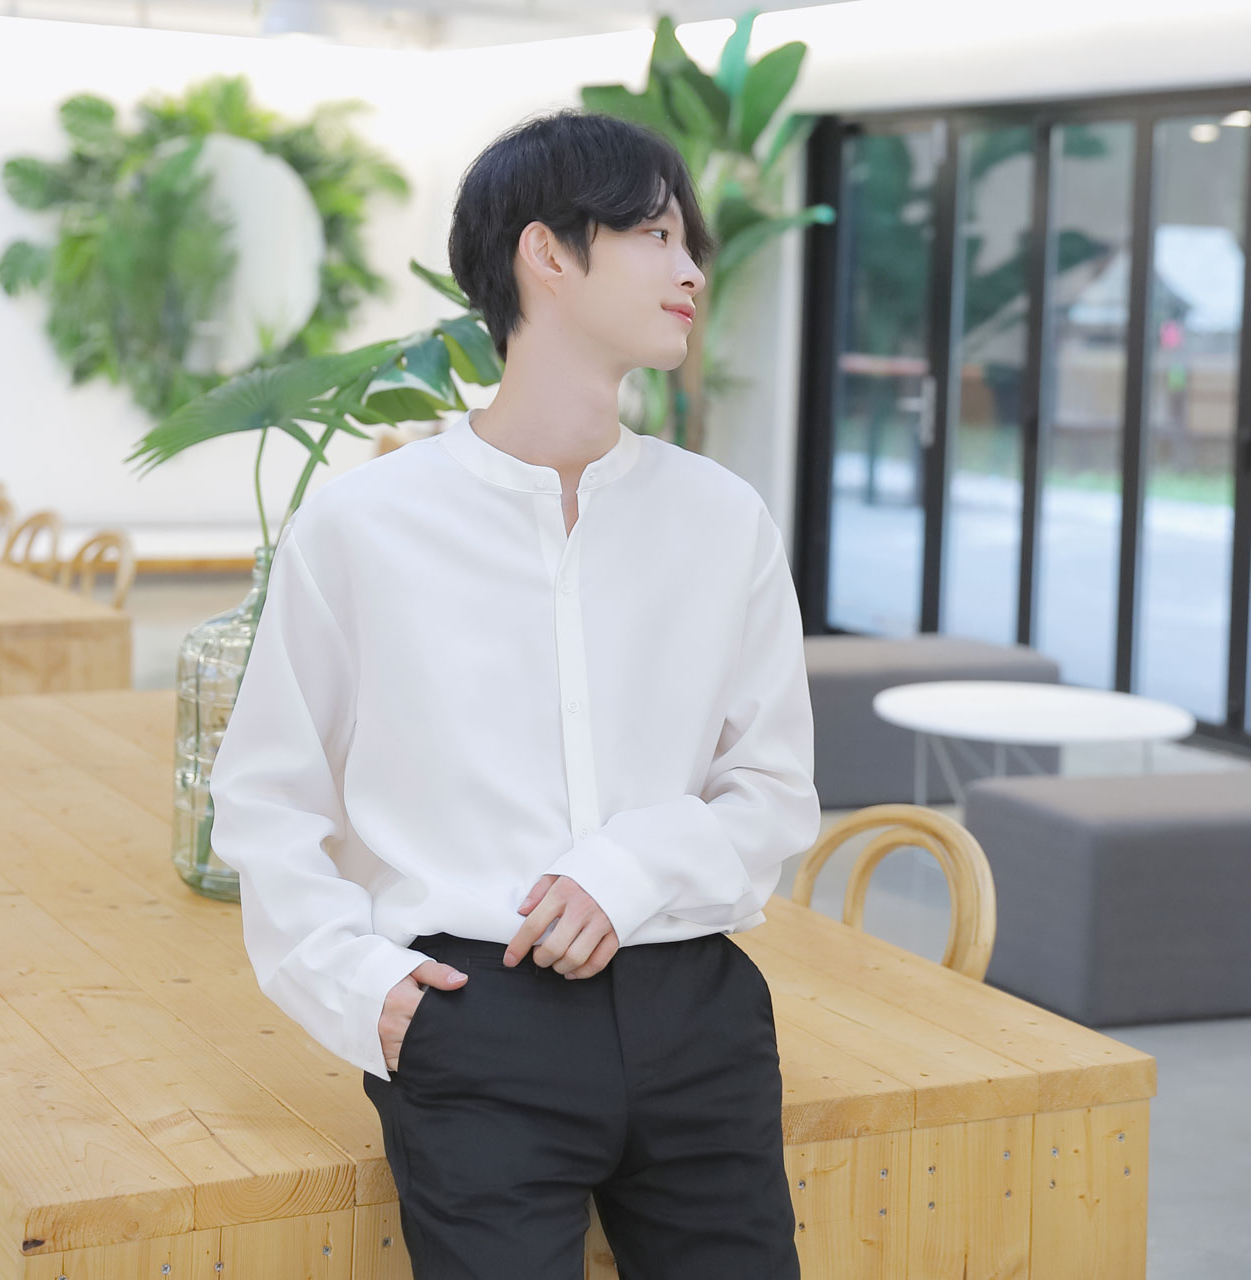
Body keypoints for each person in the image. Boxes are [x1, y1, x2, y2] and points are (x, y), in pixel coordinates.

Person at [207, 108, 820, 1280]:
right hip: (467, 1014)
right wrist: (361, 988)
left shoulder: (721, 519)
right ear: (545, 253)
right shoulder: (363, 526)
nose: (691, 268)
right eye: (654, 234)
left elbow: (771, 786)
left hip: (696, 1008)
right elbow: (267, 796)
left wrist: (625, 867)